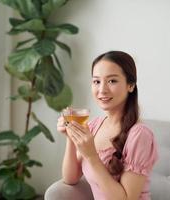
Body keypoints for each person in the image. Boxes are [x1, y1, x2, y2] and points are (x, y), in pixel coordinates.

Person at [57, 51, 158, 200]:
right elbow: (70, 178)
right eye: (96, 81)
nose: (102, 90)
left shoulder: (139, 134)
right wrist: (71, 137)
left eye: (112, 81)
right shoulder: (94, 126)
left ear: (130, 85)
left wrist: (92, 156)